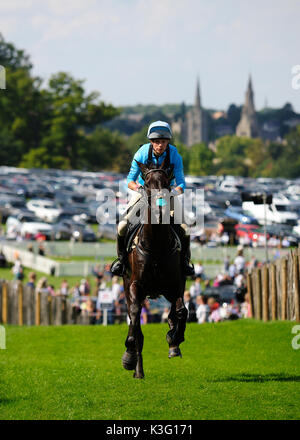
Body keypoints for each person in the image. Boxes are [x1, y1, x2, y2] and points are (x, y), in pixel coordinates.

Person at [110, 120, 194, 277]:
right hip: (143, 192)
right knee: (122, 226)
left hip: (166, 193)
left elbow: (181, 183)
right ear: (151, 141)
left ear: (168, 141)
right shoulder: (141, 153)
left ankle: (184, 262)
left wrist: (172, 193)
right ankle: (121, 261)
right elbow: (130, 180)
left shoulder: (174, 155)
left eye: (163, 141)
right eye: (156, 142)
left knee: (185, 228)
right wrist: (140, 189)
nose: (160, 145)